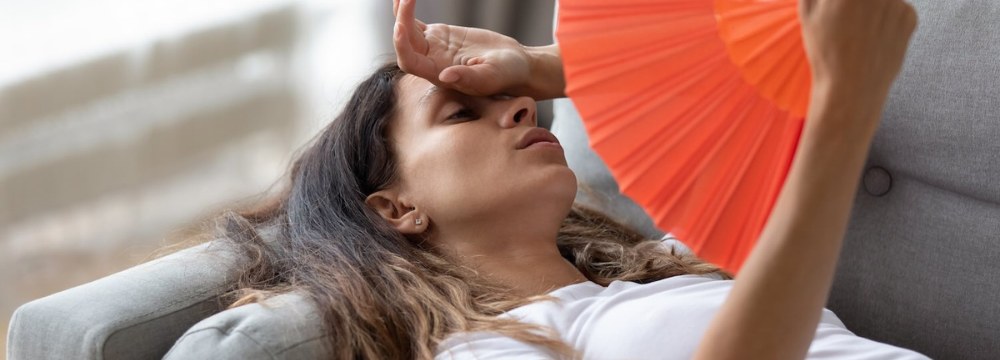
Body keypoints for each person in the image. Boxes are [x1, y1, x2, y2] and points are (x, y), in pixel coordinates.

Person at [218, 0, 926, 358]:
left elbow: (766, 55)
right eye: (461, 113)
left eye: (515, 100)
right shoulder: (489, 348)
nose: (525, 108)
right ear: (397, 207)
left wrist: (543, 65)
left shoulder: (681, 264)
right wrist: (844, 111)